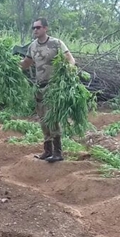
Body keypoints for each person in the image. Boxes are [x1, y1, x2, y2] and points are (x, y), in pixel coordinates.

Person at [20, 17, 76, 163]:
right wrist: (11, 65)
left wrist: (68, 71)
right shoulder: (32, 46)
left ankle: (58, 152)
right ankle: (47, 150)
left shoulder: (56, 43)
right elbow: (26, 63)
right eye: (34, 28)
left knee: (52, 118)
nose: (35, 30)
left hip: (54, 86)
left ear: (45, 28)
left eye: (38, 27)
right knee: (43, 119)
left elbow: (70, 59)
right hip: (40, 86)